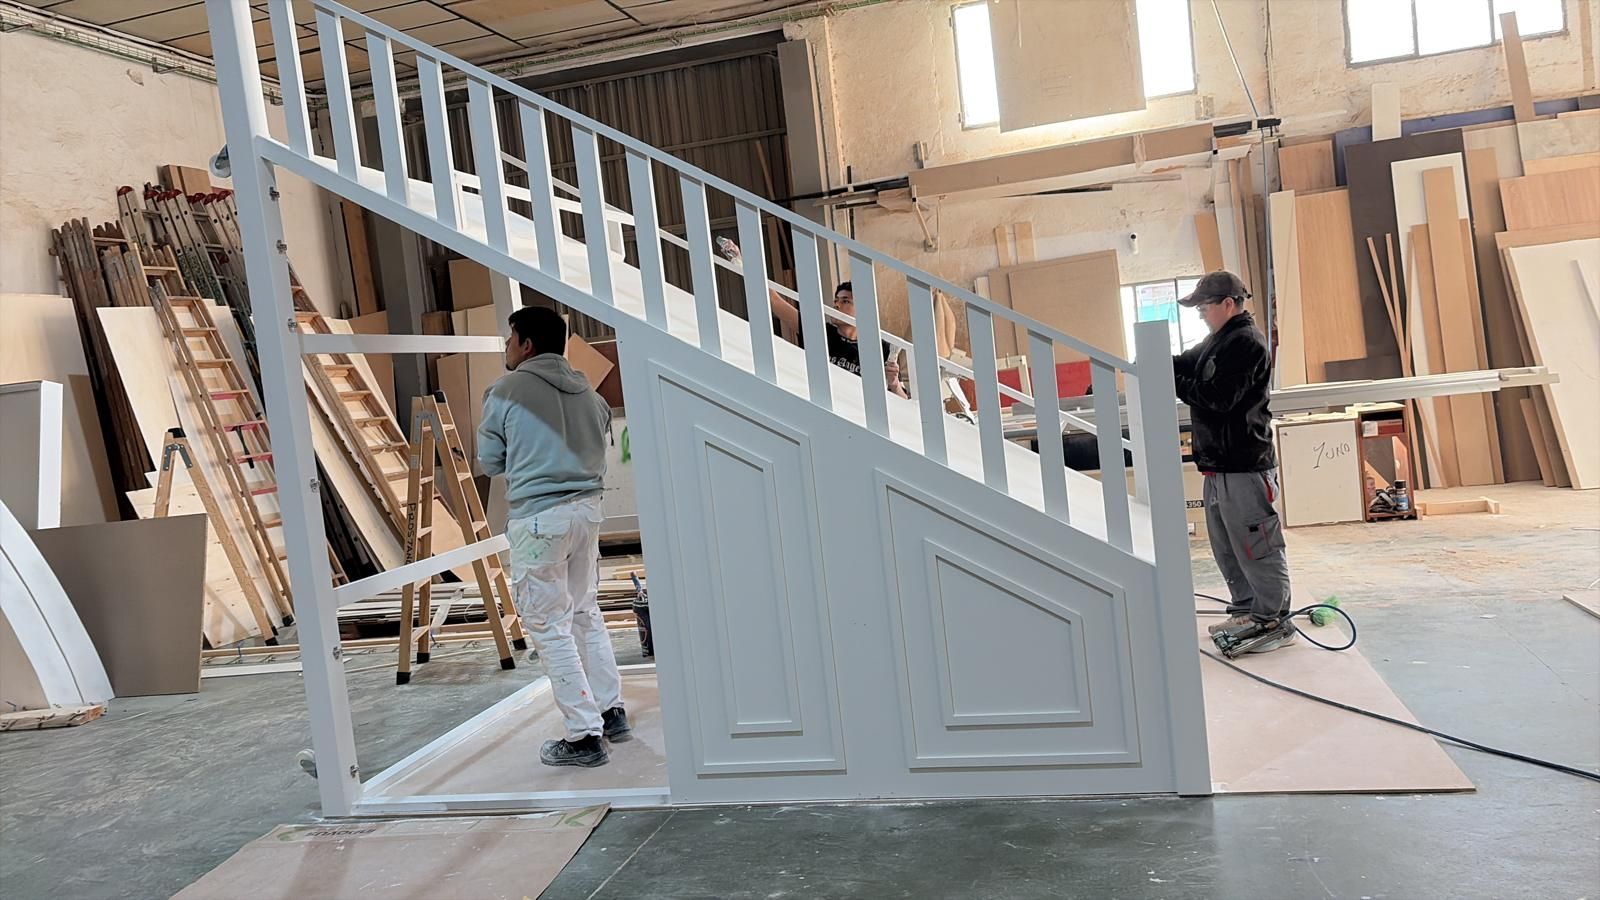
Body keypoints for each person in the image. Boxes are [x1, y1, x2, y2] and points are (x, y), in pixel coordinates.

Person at [478, 306, 629, 767]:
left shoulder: (504, 391)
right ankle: (611, 710)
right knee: (584, 611)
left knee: (549, 626)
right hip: (588, 513)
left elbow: (490, 461)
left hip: (541, 519)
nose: (506, 347)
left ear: (526, 344)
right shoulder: (589, 391)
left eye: (509, 339)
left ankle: (584, 736)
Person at [1173, 271, 1297, 654]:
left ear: (1229, 304)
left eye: (1205, 308)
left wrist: (1171, 380)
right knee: (1226, 545)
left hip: (1245, 464)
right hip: (1219, 465)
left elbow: (1218, 397)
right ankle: (1247, 608)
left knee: (1255, 544)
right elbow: (1184, 364)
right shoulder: (1218, 340)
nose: (1201, 315)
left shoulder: (1246, 343)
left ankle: (1274, 618)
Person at [720, 240, 910, 398]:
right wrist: (740, 262)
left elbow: (902, 401)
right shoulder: (819, 332)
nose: (837, 305)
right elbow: (774, 300)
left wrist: (893, 384)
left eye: (845, 301)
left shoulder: (881, 348)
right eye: (836, 301)